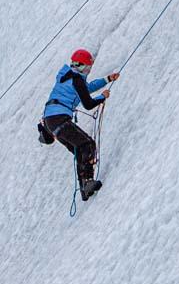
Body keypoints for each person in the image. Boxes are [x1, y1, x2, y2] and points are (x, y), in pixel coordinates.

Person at [40, 48, 120, 198]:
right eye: (88, 67)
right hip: (60, 118)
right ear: (83, 67)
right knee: (87, 145)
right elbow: (88, 104)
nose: (89, 70)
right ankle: (87, 182)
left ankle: (85, 189)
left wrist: (107, 79)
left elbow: (86, 88)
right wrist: (102, 97)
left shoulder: (67, 76)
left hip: (50, 121)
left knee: (80, 149)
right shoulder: (77, 80)